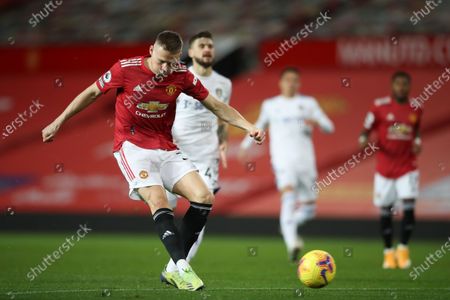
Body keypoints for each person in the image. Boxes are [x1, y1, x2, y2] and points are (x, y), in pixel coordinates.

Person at [41, 30, 264, 291]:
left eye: (171, 62)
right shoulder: (125, 69)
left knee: (204, 197)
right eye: (161, 61)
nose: (165, 68)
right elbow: (91, 93)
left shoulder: (181, 75)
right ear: (150, 50)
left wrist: (248, 125)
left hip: (165, 146)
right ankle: (182, 268)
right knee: (158, 200)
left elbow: (215, 105)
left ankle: (173, 270)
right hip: (132, 147)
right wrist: (59, 122)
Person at [239, 67, 334, 262]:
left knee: (309, 209)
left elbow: (329, 127)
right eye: (287, 80)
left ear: (299, 83)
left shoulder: (308, 104)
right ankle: (292, 243)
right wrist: (244, 146)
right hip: (282, 160)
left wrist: (316, 121)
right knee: (288, 197)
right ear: (281, 83)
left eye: (294, 80)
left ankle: (287, 225)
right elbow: (258, 126)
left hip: (306, 162)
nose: (291, 83)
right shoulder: (271, 105)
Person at [163, 31, 232, 277]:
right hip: (175, 154)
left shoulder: (224, 84)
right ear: (190, 52)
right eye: (201, 45)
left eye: (210, 46)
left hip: (206, 158)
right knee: (165, 210)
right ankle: (177, 265)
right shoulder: (177, 78)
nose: (207, 49)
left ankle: (174, 269)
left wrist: (223, 142)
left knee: (200, 214)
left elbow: (222, 118)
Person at [359, 71, 422, 269]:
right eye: (398, 84)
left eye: (405, 84)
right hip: (385, 168)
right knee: (385, 209)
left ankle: (403, 249)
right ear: (392, 86)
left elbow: (417, 130)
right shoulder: (379, 106)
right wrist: (363, 139)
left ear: (409, 87)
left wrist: (418, 141)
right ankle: (388, 253)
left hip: (407, 166)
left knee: (409, 206)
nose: (401, 88)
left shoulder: (416, 108)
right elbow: (366, 128)